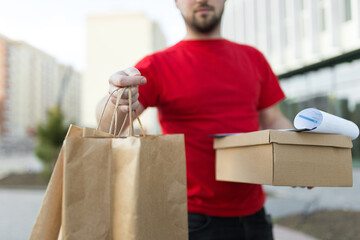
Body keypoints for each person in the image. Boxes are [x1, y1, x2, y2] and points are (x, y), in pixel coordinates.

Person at [97, 0, 294, 239]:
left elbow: (274, 119)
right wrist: (118, 97)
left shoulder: (254, 58)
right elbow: (106, 126)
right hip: (189, 220)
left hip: (255, 218)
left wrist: (296, 158)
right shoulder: (158, 65)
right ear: (177, 3)